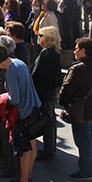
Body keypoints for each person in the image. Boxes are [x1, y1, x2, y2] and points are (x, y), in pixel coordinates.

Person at [0, 41, 41, 182]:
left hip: (23, 113)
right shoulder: (19, 63)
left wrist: (4, 98)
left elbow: (15, 98)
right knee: (32, 145)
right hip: (34, 108)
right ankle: (28, 176)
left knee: (24, 150)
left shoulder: (10, 71)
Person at [59, 37, 92, 180]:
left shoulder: (78, 69)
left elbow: (67, 89)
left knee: (82, 140)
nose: (74, 51)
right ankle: (88, 163)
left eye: (76, 48)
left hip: (81, 110)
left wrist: (63, 102)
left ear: (83, 51)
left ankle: (86, 169)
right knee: (89, 136)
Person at [31, 26, 62, 161]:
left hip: (45, 92)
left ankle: (48, 149)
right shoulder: (51, 53)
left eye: (41, 35)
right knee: (50, 119)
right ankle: (50, 147)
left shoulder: (47, 54)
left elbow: (42, 76)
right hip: (48, 91)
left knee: (48, 120)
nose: (39, 38)